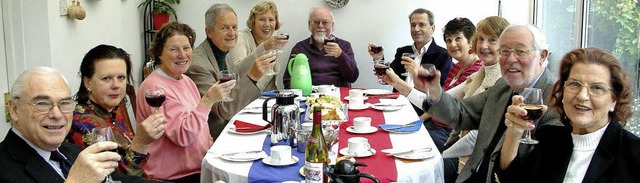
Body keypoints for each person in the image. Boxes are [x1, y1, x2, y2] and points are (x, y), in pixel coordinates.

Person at [414, 24, 561, 182]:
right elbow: (461, 113)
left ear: (542, 56)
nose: (511, 59)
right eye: (504, 51)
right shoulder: (502, 86)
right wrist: (434, 91)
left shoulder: (557, 102)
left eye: (521, 51)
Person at [498, 48, 640, 182]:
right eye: (575, 84)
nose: (582, 96)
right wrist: (514, 131)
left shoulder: (633, 153)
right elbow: (511, 178)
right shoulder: (550, 139)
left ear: (614, 100)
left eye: (597, 88)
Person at [1, 67, 154, 183]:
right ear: (14, 110)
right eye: (42, 103)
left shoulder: (72, 152)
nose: (57, 114)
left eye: (64, 103)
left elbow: (120, 180)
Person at [137, 22, 234, 182]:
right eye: (174, 49)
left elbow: (202, 128)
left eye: (186, 48)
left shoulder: (186, 80)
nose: (182, 55)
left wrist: (213, 153)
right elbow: (183, 136)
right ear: (159, 53)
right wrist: (208, 100)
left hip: (200, 167)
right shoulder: (155, 89)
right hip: (173, 177)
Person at [66, 44, 166, 177]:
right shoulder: (83, 124)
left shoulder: (111, 111)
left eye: (121, 78)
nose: (116, 85)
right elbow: (116, 178)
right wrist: (141, 142)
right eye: (106, 78)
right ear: (87, 82)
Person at [185, 3, 273, 141]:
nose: (232, 33)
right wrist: (252, 77)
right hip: (215, 138)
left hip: (233, 127)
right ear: (209, 32)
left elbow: (235, 96)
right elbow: (223, 110)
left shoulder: (226, 53)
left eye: (234, 27)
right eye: (224, 28)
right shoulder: (197, 65)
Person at [440, 15, 510, 172]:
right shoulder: (479, 74)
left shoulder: (503, 79)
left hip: (481, 163)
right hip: (463, 153)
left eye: (492, 40)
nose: (484, 46)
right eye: (480, 39)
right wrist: (397, 83)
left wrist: (441, 155)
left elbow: (477, 137)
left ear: (505, 45)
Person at [369, 8, 452, 117]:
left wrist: (418, 73)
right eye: (413, 25)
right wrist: (378, 58)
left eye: (421, 25)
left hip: (423, 112)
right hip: (396, 107)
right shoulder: (403, 51)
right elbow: (388, 78)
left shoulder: (443, 55)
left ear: (432, 28)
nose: (416, 29)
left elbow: (440, 93)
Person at [283, 6, 359, 87]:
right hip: (309, 97)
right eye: (316, 22)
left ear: (332, 25)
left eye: (325, 22)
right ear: (309, 25)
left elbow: (352, 77)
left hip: (338, 96)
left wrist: (341, 55)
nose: (320, 26)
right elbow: (288, 80)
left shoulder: (344, 46)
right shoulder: (300, 48)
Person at [227, 1, 287, 91]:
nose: (267, 24)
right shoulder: (240, 38)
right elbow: (238, 71)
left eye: (271, 20)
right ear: (253, 22)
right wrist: (264, 47)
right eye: (262, 19)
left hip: (264, 100)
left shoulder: (272, 44)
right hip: (241, 99)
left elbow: (270, 83)